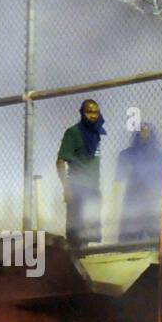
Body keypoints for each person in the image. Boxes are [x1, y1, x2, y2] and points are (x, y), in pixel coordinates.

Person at [56, 99, 106, 247]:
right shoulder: (73, 133)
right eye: (89, 112)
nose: (93, 115)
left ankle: (84, 264)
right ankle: (72, 267)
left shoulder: (96, 135)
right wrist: (66, 189)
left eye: (96, 112)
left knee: (90, 234)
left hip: (92, 189)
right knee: (76, 235)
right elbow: (60, 162)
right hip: (77, 188)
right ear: (82, 113)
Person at [113, 122, 162, 242]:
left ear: (152, 134)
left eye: (147, 131)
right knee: (129, 232)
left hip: (153, 200)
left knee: (153, 233)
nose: (144, 133)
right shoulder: (126, 155)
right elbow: (118, 180)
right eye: (141, 131)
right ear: (136, 134)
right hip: (132, 199)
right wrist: (113, 202)